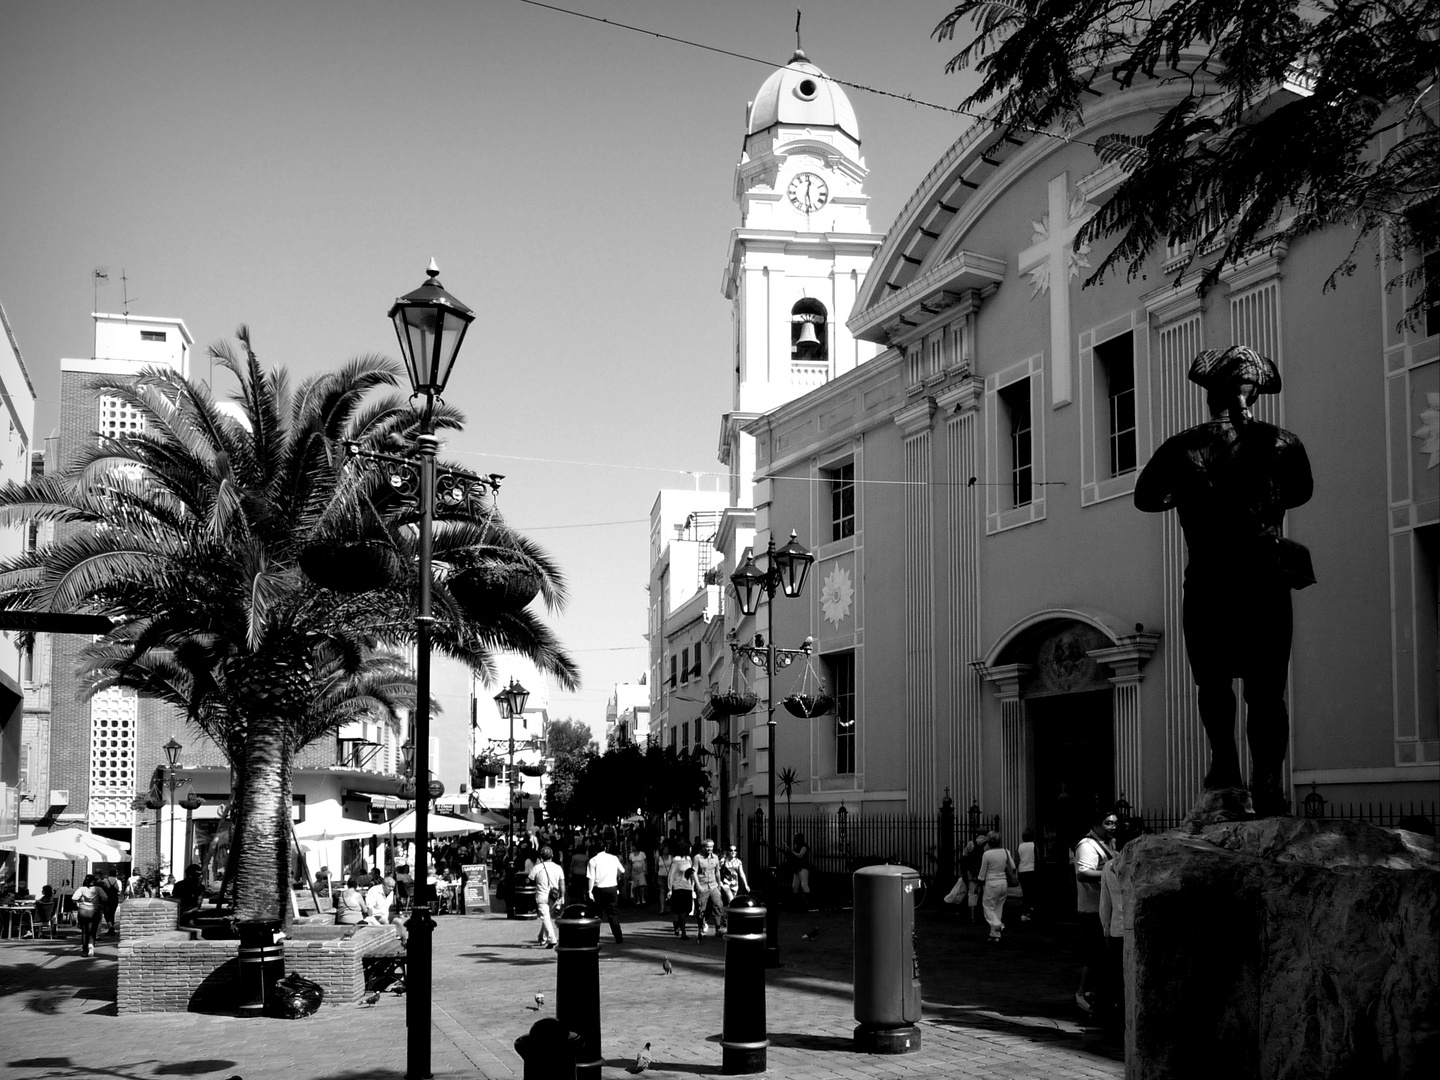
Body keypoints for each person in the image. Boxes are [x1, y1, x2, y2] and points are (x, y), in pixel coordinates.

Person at [1135, 345, 1313, 817]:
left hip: (1210, 581)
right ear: (1256, 390)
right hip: (1265, 582)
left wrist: (1190, 494)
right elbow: (1300, 491)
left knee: (1213, 685)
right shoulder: (1284, 444)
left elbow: (1147, 497)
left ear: (1209, 394)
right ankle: (1269, 783)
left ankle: (1226, 771)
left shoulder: (1181, 447)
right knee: (1266, 690)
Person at [1073, 810, 1119, 1015]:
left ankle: (1101, 995)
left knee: (1106, 956)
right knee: (1096, 955)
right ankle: (1082, 993)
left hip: (1107, 908)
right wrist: (1110, 874)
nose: (1113, 827)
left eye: (1115, 823)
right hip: (1091, 909)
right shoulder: (1086, 845)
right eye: (1108, 823)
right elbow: (1083, 874)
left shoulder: (1111, 844)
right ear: (1096, 824)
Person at [976, 831, 1016, 942]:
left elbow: (982, 872)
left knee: (988, 908)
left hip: (991, 883)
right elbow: (1012, 867)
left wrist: (978, 884)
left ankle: (998, 926)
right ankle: (995, 935)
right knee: (998, 908)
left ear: (989, 842)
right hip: (1003, 883)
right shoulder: (1005, 851)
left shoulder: (987, 854)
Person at [586, 838, 626, 944]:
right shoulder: (613, 858)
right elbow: (622, 870)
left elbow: (591, 877)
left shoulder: (593, 861)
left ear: (595, 850)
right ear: (605, 848)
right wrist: (615, 878)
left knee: (597, 914)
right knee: (613, 913)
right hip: (612, 887)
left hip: (598, 888)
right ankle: (618, 936)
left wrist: (589, 891)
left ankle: (595, 938)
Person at [528, 846, 566, 949]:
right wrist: (562, 897)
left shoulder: (537, 867)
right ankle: (542, 938)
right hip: (554, 896)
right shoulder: (558, 868)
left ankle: (552, 939)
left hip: (541, 895)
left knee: (545, 917)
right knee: (547, 917)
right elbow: (562, 883)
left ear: (541, 857)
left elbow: (530, 878)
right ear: (552, 856)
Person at [692, 839, 724, 938]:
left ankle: (718, 928)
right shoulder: (697, 858)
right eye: (707, 847)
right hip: (703, 885)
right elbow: (694, 872)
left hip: (713, 885)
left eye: (711, 847)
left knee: (718, 905)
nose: (709, 849)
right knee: (702, 908)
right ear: (703, 847)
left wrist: (719, 885)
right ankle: (701, 928)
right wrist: (698, 886)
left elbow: (717, 872)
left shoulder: (715, 858)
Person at [364, 875, 407, 945]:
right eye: (389, 886)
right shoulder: (374, 891)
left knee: (399, 922)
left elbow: (387, 908)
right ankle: (386, 942)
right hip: (375, 915)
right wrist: (372, 920)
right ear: (383, 885)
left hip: (385, 914)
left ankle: (397, 940)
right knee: (385, 921)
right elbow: (369, 908)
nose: (391, 889)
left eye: (393, 887)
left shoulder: (391, 893)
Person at [667, 844, 695, 939]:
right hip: (678, 887)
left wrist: (693, 885)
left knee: (688, 909)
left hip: (688, 887)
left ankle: (677, 923)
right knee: (682, 911)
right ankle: (683, 932)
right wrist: (670, 889)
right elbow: (671, 875)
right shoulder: (676, 862)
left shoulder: (689, 860)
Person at [717, 843, 750, 924]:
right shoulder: (723, 860)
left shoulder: (738, 862)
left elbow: (741, 873)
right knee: (730, 899)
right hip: (725, 884)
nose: (733, 852)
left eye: (735, 850)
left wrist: (745, 884)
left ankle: (726, 917)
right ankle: (727, 919)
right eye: (731, 850)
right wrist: (719, 882)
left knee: (729, 902)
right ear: (728, 851)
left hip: (735, 885)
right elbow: (717, 871)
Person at [72, 875, 103, 957]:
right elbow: (105, 898)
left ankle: (85, 949)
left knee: (85, 931)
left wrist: (79, 902)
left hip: (83, 910)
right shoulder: (98, 889)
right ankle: (91, 945)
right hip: (94, 910)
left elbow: (74, 898)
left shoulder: (81, 889)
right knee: (93, 930)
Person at [780, 833, 811, 910]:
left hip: (803, 868)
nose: (794, 840)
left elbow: (800, 855)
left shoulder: (804, 846)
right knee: (794, 886)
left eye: (796, 838)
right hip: (797, 869)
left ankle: (807, 902)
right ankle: (796, 903)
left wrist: (792, 852)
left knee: (804, 885)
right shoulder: (797, 846)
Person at [1017, 829, 1038, 922]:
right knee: (1032, 892)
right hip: (1031, 870)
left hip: (1022, 871)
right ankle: (1027, 911)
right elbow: (1038, 857)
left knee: (1025, 891)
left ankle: (1026, 911)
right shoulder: (1034, 845)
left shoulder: (1020, 846)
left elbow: (1017, 859)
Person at [627, 844, 649, 908]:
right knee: (636, 886)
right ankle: (638, 899)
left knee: (641, 885)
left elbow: (645, 862)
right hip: (634, 872)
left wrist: (645, 870)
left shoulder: (642, 854)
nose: (633, 847)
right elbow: (630, 864)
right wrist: (629, 872)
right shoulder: (631, 855)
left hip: (641, 871)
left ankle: (642, 898)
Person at [655, 843, 674, 915]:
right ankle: (663, 908)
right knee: (662, 891)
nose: (666, 850)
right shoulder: (659, 858)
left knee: (669, 891)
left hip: (669, 876)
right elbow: (656, 867)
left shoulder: (671, 857)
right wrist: (655, 876)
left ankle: (669, 907)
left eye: (667, 849)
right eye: (665, 849)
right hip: (661, 876)